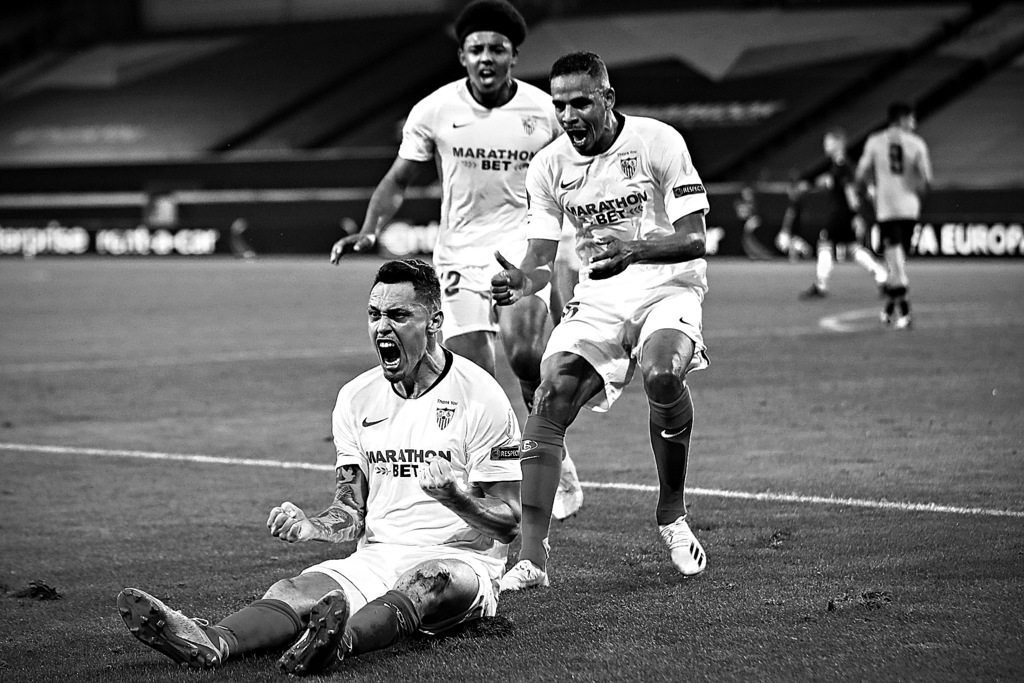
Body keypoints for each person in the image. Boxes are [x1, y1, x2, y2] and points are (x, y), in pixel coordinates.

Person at [117, 259, 523, 676]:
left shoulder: (482, 398)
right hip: (378, 557)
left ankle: (338, 642)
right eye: (374, 315)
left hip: (461, 563)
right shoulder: (356, 398)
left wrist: (456, 498)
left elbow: (509, 523)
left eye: (399, 315)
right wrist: (312, 526)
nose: (382, 327)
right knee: (294, 589)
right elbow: (351, 511)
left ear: (434, 321)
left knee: (428, 578)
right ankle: (213, 640)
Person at [329, 0, 582, 520]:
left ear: (514, 55)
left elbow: (574, 176)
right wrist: (370, 229)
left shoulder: (543, 111)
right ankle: (490, 480)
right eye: (476, 49)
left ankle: (557, 459)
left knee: (526, 358)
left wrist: (569, 251)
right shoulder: (435, 110)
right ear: (462, 56)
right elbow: (399, 179)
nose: (486, 57)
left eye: (497, 49)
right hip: (459, 257)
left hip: (521, 247)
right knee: (473, 379)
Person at [491, 51, 710, 591]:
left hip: (667, 286)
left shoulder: (658, 142)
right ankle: (532, 558)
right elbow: (541, 258)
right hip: (600, 296)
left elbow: (695, 238)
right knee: (549, 395)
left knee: (662, 375)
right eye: (559, 105)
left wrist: (633, 251)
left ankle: (672, 515)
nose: (568, 116)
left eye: (580, 103)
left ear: (607, 98)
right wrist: (523, 281)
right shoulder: (548, 167)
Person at [855, 102, 932, 329]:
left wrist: (869, 189)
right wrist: (913, 190)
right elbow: (926, 180)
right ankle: (891, 310)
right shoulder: (917, 143)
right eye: (912, 119)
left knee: (895, 264)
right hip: (910, 210)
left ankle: (904, 312)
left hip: (887, 210)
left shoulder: (875, 141)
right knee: (897, 262)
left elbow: (860, 173)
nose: (914, 124)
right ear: (903, 119)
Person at [799, 127, 887, 299]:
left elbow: (850, 192)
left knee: (825, 242)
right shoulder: (840, 165)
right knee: (853, 248)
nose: (825, 146)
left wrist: (855, 216)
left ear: (839, 144)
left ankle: (821, 285)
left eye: (828, 142)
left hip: (842, 214)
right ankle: (882, 276)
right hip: (846, 213)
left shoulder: (841, 166)